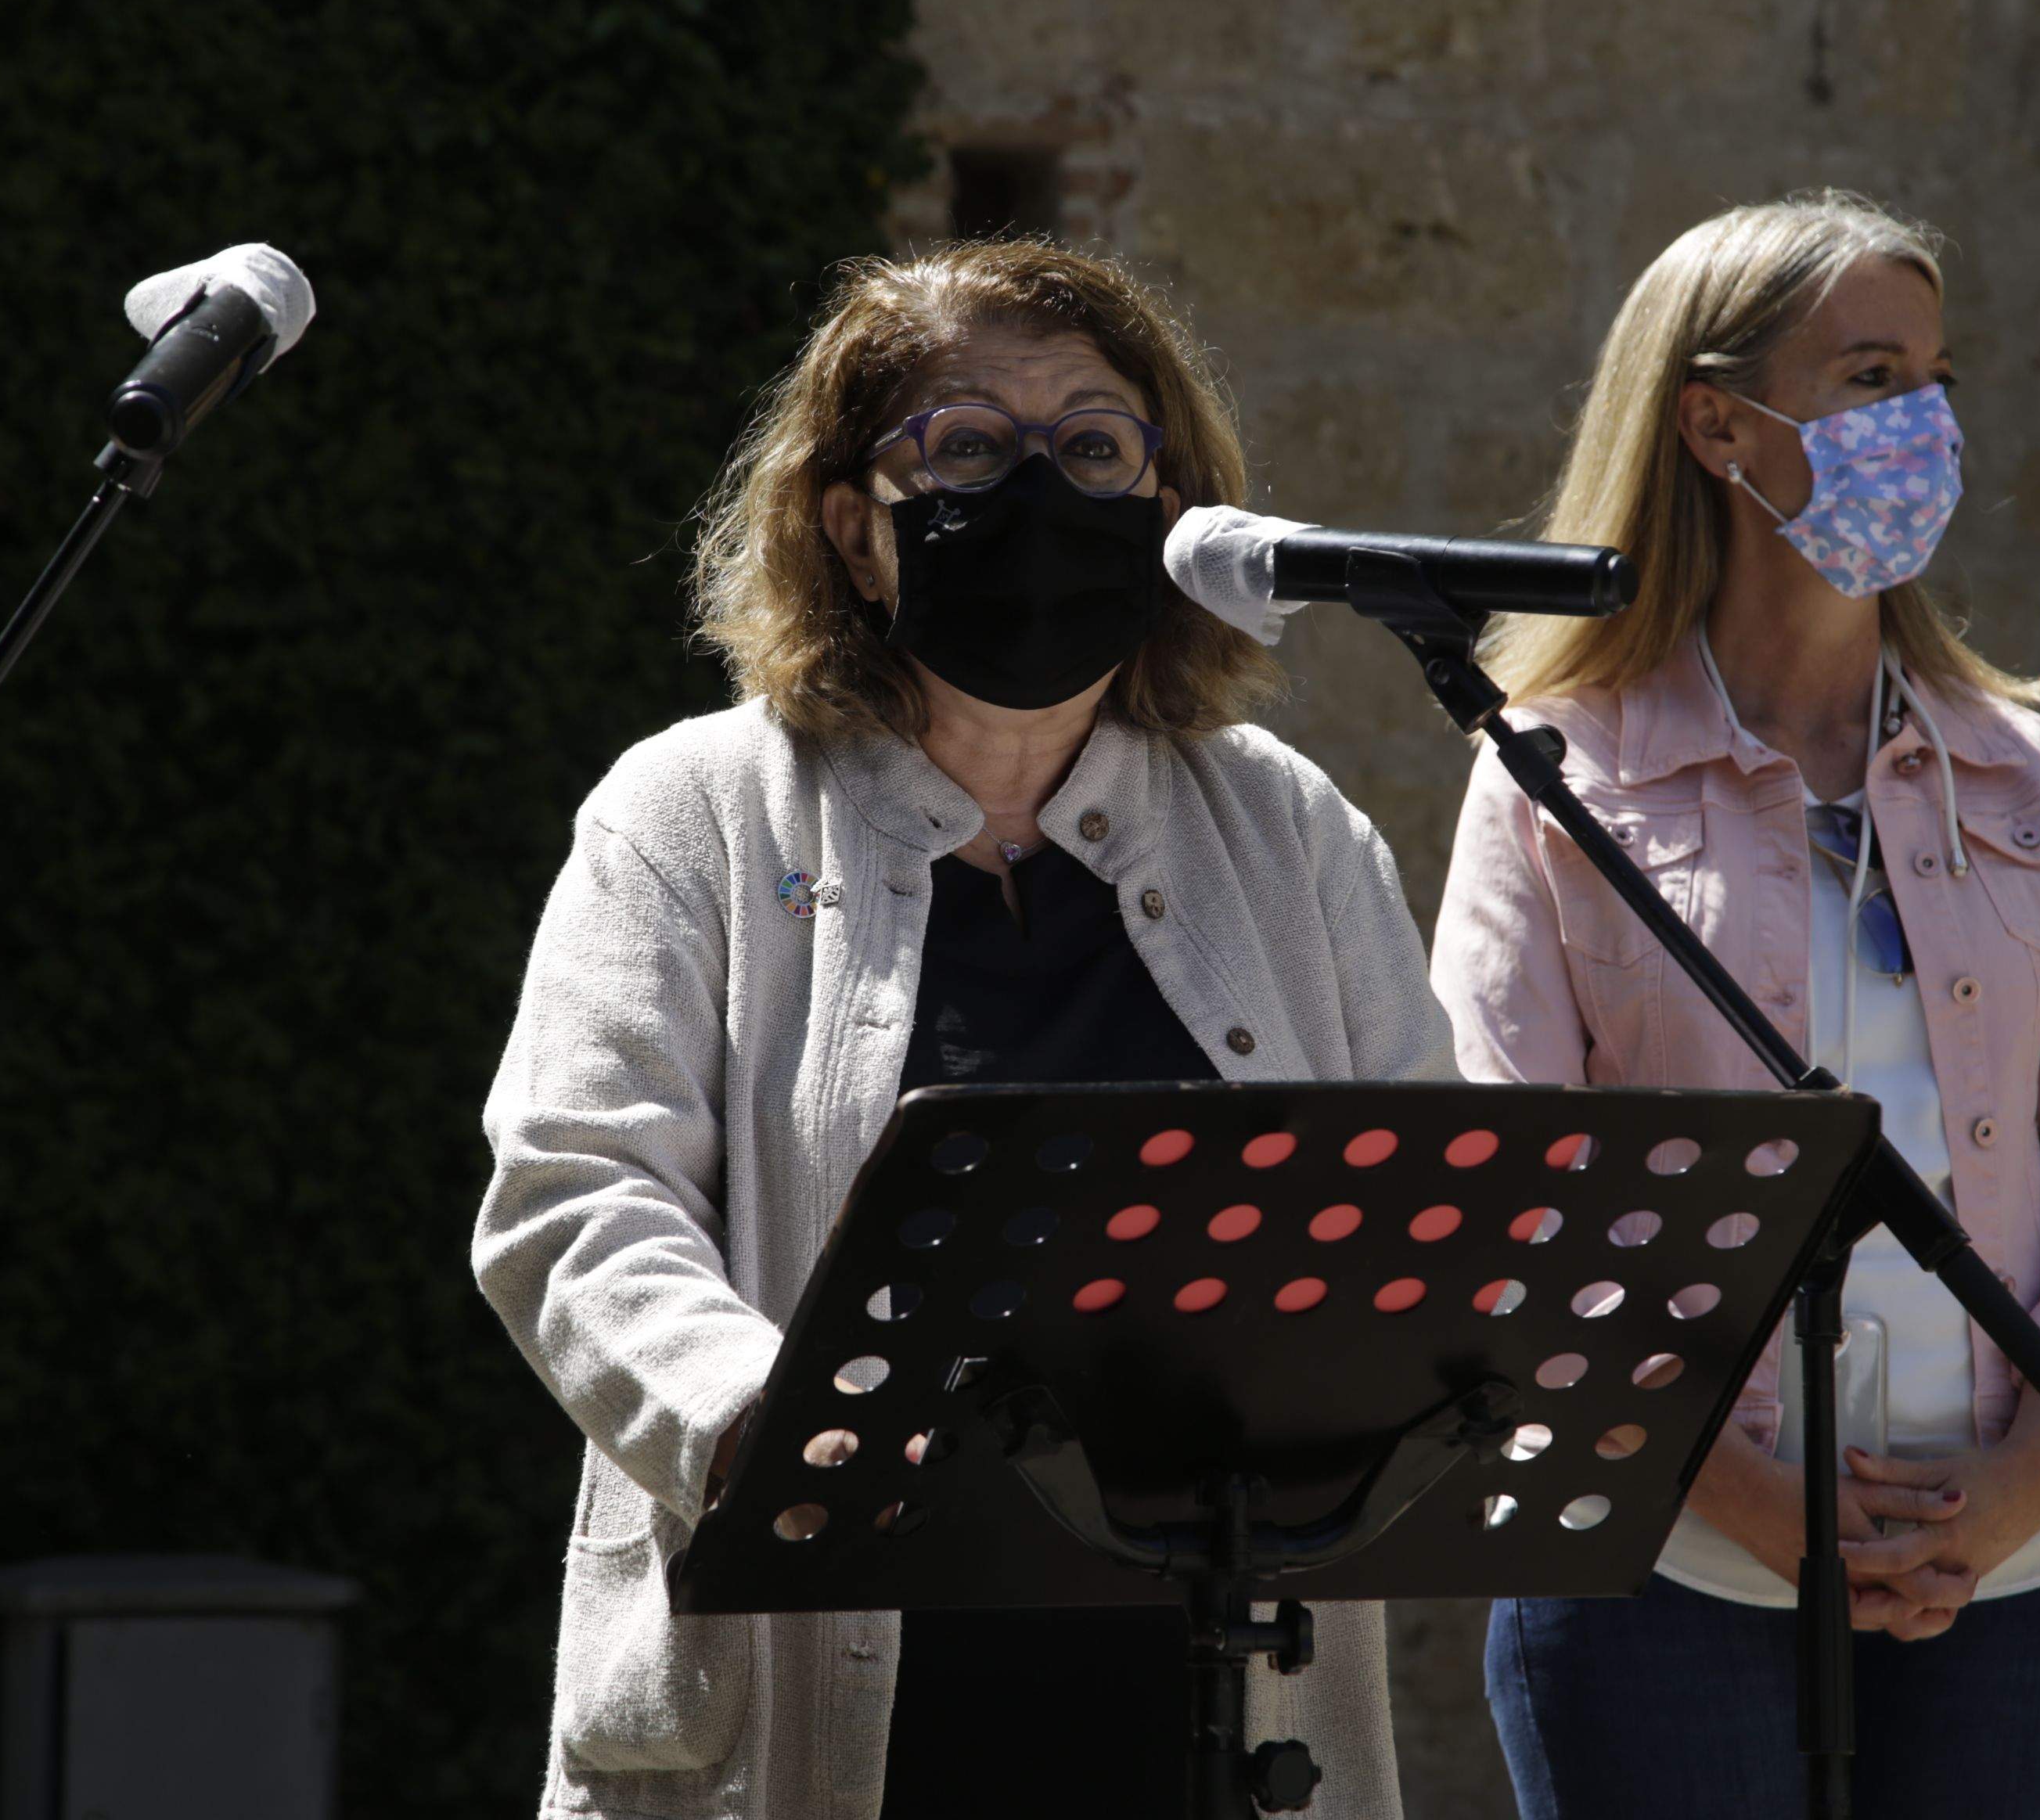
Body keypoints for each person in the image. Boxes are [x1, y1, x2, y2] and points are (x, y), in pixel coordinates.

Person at [473, 237, 1455, 1820]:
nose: (1040, 487)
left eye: (1092, 443)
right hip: (823, 1686)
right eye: (970, 445)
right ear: (857, 530)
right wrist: (762, 1424)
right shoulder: (694, 811)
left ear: (1165, 508)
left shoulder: (1292, 830)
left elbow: (1423, 1200)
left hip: (1204, 1702)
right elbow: (577, 1187)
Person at [1429, 191, 2040, 1819]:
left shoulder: (2029, 779)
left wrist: (2024, 1479)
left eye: (1934, 374)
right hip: (1666, 1555)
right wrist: (1748, 1493)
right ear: (1717, 421)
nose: (1924, 423)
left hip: (2005, 1562)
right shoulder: (1549, 773)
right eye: (1869, 375)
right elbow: (1510, 1184)